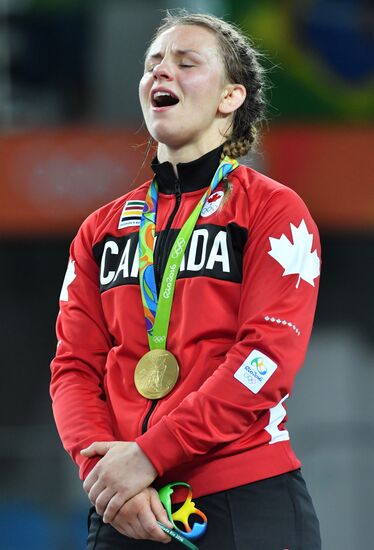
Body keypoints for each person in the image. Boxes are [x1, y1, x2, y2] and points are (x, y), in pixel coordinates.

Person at [50, 9, 322, 550]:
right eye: (152, 64)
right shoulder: (100, 231)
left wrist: (150, 454)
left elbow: (263, 360)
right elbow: (73, 368)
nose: (160, 73)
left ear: (230, 98)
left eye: (185, 62)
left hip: (246, 500)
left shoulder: (272, 210)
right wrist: (106, 475)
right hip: (128, 510)